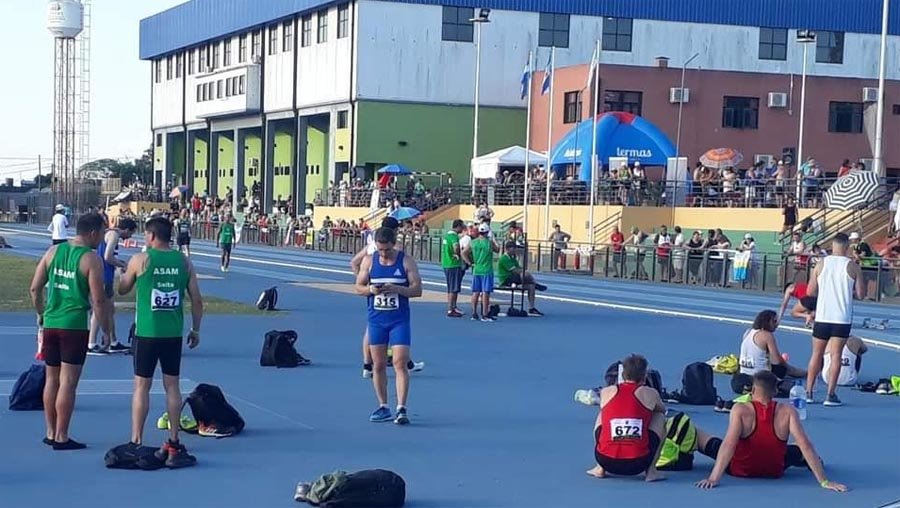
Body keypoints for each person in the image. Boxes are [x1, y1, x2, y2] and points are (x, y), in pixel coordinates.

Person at [117, 217, 202, 467]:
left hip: (146, 333)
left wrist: (124, 275)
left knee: (141, 387)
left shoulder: (141, 260)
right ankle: (174, 440)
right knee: (172, 386)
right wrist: (196, 330)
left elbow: (123, 289)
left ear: (152, 236)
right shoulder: (184, 262)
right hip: (172, 333)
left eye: (146, 235)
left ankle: (136, 441)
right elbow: (197, 300)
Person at [29, 213, 110, 450]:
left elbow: (35, 288)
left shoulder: (53, 252)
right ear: (93, 233)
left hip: (52, 323)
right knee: (68, 382)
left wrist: (42, 313)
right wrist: (106, 331)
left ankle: (51, 431)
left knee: (51, 378)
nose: (103, 238)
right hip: (73, 325)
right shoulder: (90, 259)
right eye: (103, 233)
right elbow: (98, 300)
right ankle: (62, 436)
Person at [696, 371, 847, 492]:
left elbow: (729, 444)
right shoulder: (788, 412)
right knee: (798, 447)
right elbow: (805, 444)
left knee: (705, 439)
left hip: (741, 469)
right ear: (775, 391)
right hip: (774, 470)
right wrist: (824, 481)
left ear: (753, 389)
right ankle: (815, 463)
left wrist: (714, 478)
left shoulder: (740, 410)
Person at [355, 227, 423, 425]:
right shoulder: (369, 261)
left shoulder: (406, 261)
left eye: (387, 249)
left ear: (394, 244)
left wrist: (396, 289)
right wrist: (370, 289)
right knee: (378, 364)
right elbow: (358, 287)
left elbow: (417, 290)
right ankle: (383, 406)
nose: (383, 253)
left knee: (400, 362)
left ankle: (401, 408)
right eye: (380, 249)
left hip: (399, 320)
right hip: (377, 320)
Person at [351, 217, 425, 378]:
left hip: (380, 296)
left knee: (371, 331)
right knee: (381, 330)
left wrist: (367, 283)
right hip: (382, 296)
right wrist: (368, 285)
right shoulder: (395, 247)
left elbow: (354, 262)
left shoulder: (372, 244)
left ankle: (367, 364)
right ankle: (399, 363)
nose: (384, 253)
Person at [805, 233, 864, 406]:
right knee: (836, 355)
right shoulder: (853, 266)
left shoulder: (821, 264)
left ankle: (809, 392)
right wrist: (847, 291)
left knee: (816, 354)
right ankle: (830, 395)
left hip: (823, 316)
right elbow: (861, 294)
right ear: (847, 247)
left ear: (833, 245)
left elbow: (809, 291)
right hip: (842, 317)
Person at [586, 354, 666, 482]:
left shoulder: (606, 391)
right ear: (644, 376)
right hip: (639, 463)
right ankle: (651, 472)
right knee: (660, 417)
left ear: (623, 374)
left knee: (603, 413)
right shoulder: (650, 393)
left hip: (605, 460)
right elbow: (662, 410)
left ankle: (599, 468)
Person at [87, 217, 137, 355]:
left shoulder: (109, 233)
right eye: (131, 234)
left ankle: (113, 341)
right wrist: (124, 265)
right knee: (100, 309)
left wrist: (118, 264)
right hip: (103, 276)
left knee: (110, 310)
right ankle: (91, 343)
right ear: (126, 230)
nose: (130, 237)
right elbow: (107, 257)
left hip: (105, 275)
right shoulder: (114, 235)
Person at [738, 310, 807, 379]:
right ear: (766, 321)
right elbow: (777, 361)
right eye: (774, 321)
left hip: (744, 375)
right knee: (782, 369)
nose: (776, 324)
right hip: (760, 378)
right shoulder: (767, 335)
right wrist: (794, 370)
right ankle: (807, 373)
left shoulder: (747, 332)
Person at [464, 223, 500, 321]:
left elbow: (464, 253)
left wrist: (470, 263)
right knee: (485, 292)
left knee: (475, 292)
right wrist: (494, 239)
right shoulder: (489, 243)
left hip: (476, 269)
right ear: (487, 232)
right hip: (487, 270)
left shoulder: (473, 242)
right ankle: (485, 314)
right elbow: (498, 250)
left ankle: (474, 313)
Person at [496, 242, 544, 316]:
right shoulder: (504, 258)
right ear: (508, 249)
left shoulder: (513, 258)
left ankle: (532, 308)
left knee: (531, 287)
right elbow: (515, 270)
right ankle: (535, 283)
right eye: (513, 248)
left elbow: (519, 268)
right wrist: (524, 272)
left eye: (515, 248)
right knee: (525, 274)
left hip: (514, 278)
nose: (515, 250)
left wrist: (523, 271)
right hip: (506, 279)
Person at [441, 219, 466, 318]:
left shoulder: (446, 235)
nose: (462, 229)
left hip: (447, 263)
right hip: (453, 264)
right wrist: (457, 254)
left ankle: (453, 306)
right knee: (453, 287)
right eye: (462, 227)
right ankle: (451, 309)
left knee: (451, 286)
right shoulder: (454, 237)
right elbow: (456, 247)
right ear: (458, 226)